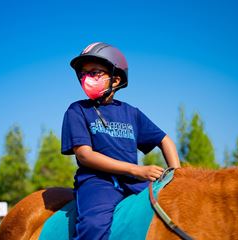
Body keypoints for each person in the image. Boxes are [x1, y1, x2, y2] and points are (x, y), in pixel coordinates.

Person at [61, 42, 181, 240]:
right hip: (97, 183)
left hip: (134, 183)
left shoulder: (131, 113)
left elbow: (165, 140)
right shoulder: (77, 110)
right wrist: (137, 170)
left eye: (95, 73)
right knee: (93, 226)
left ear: (115, 80)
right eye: (83, 74)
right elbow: (84, 155)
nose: (86, 79)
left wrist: (177, 177)